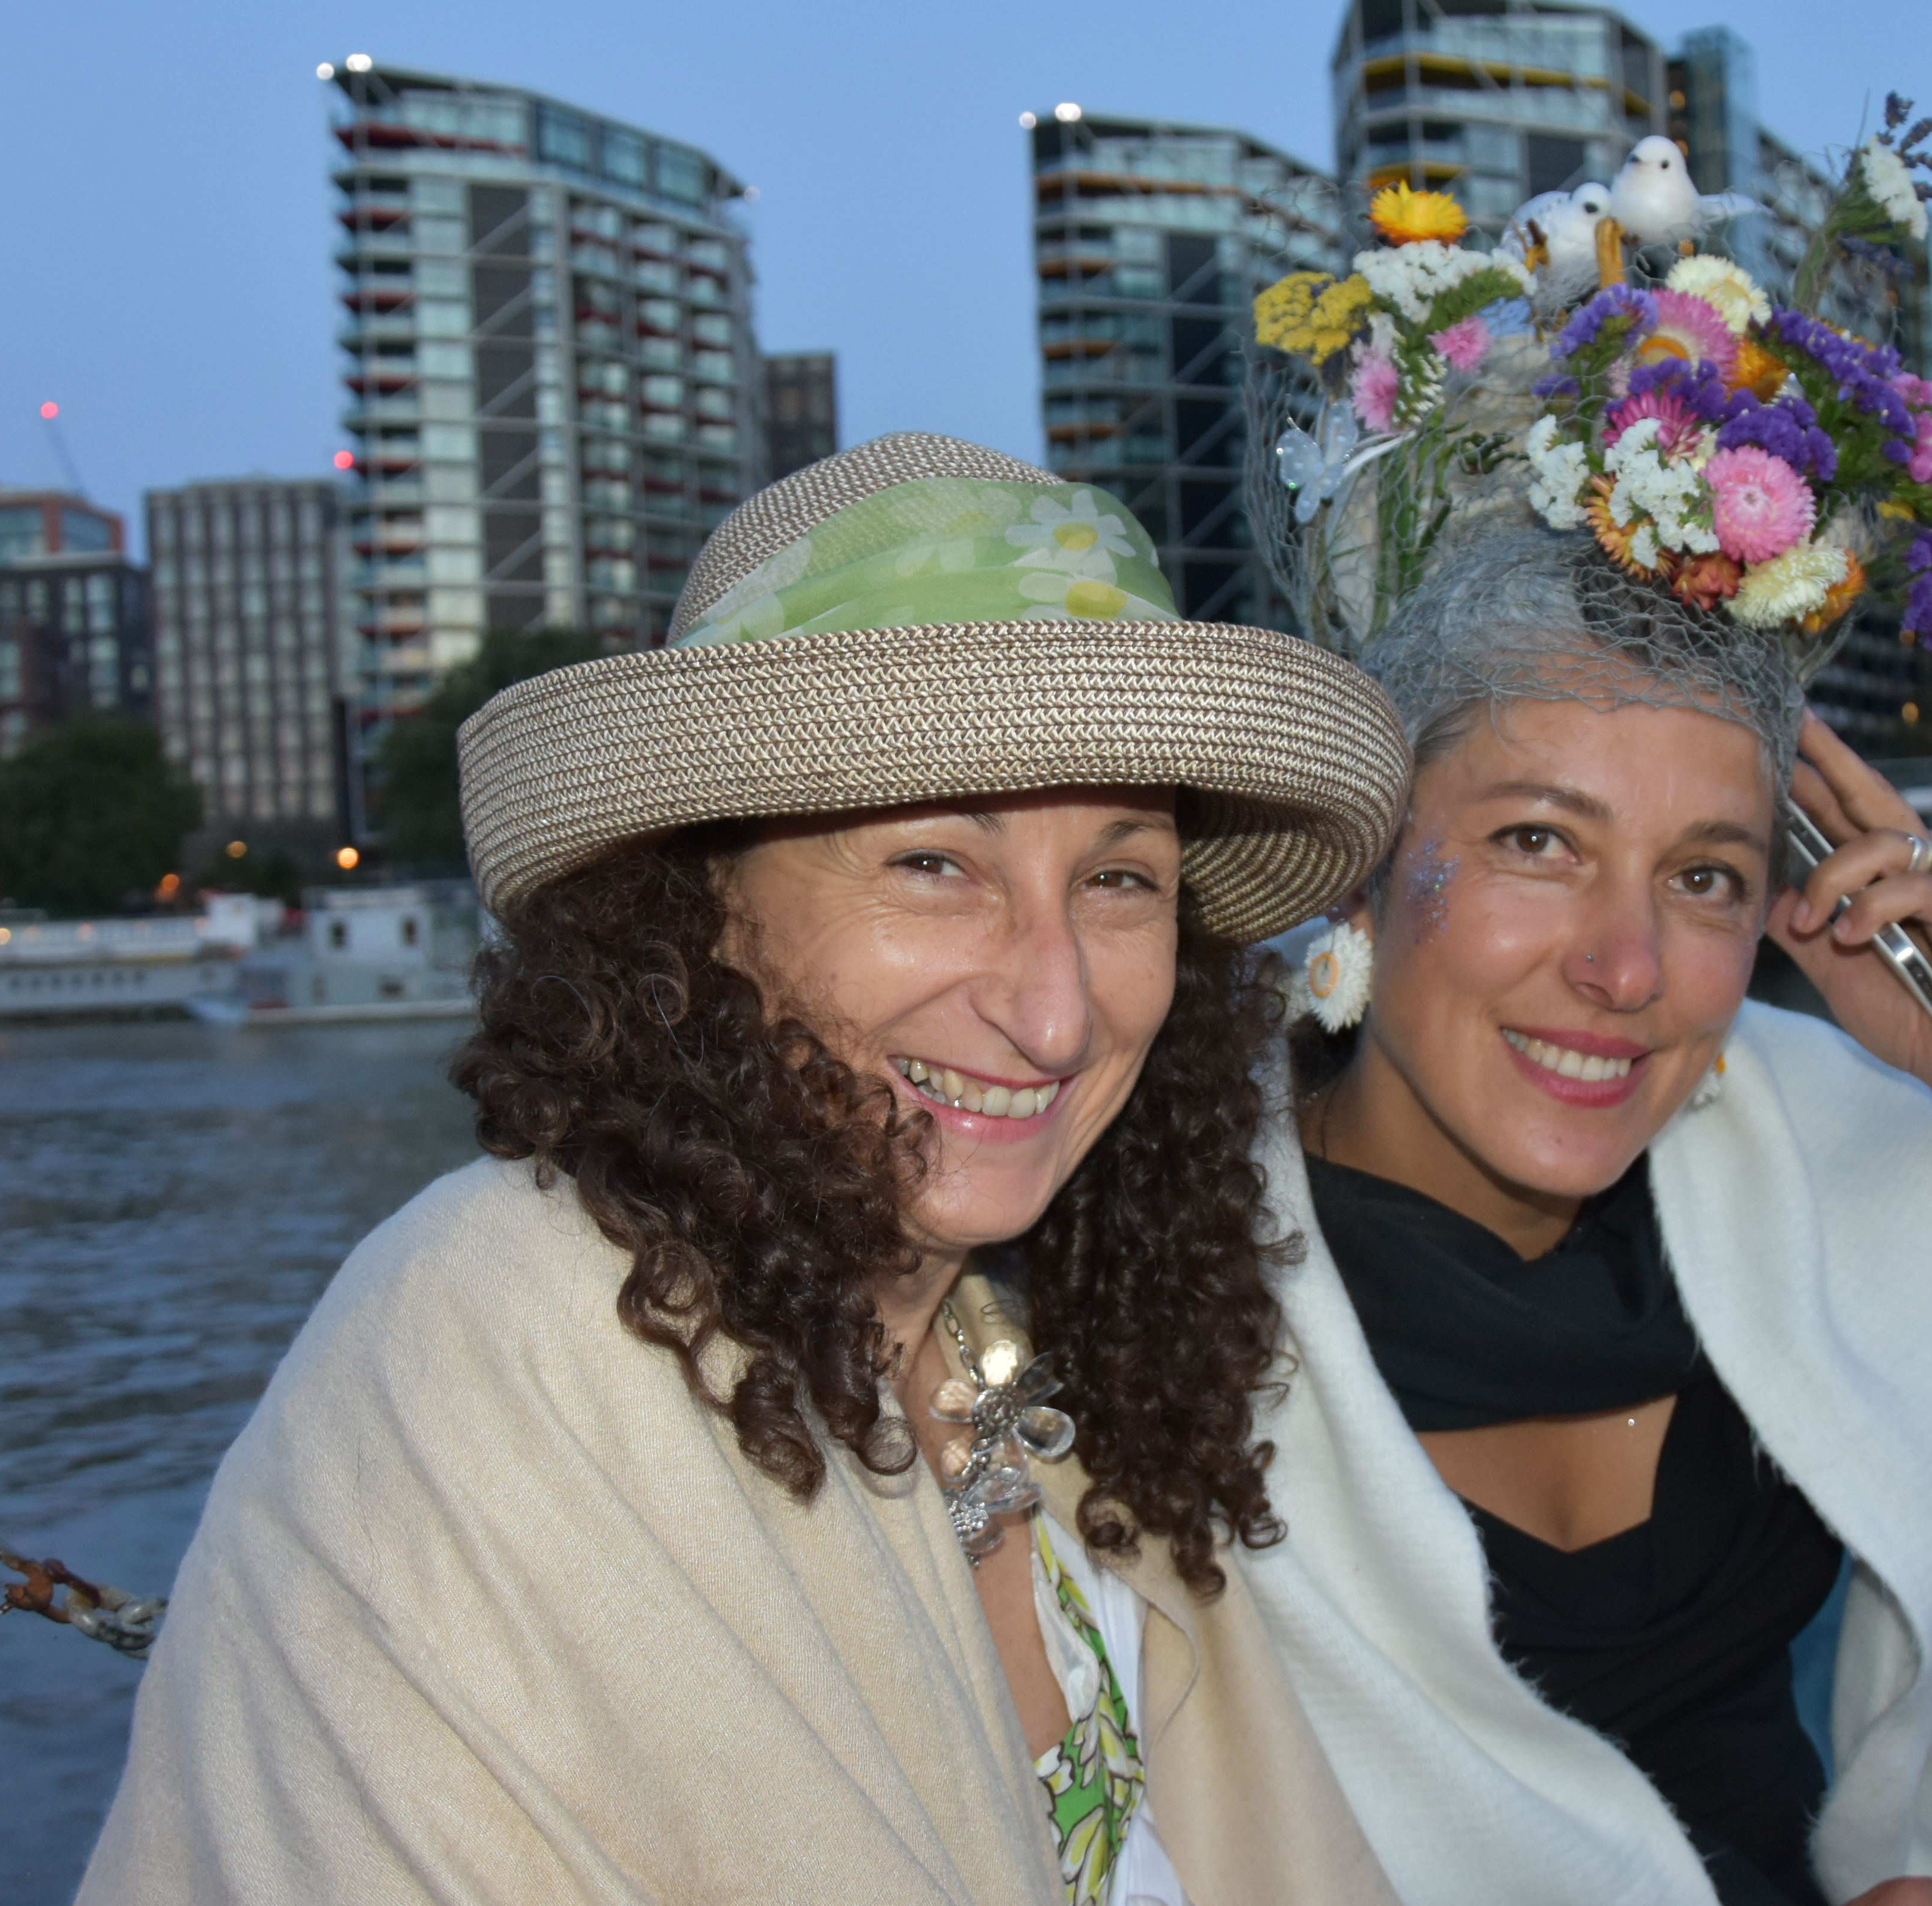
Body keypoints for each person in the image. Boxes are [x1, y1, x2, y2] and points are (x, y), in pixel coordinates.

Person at [77, 434, 1412, 1906]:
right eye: (934, 865)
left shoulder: (1020, 1385)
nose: (1056, 1013)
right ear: (699, 903)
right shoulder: (493, 1347)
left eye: (1118, 879)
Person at [1241, 527, 1932, 1906]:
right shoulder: (1168, 1267)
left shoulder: (1805, 1156)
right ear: (1363, 870)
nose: (1627, 968)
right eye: (1538, 842)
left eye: (1703, 876)